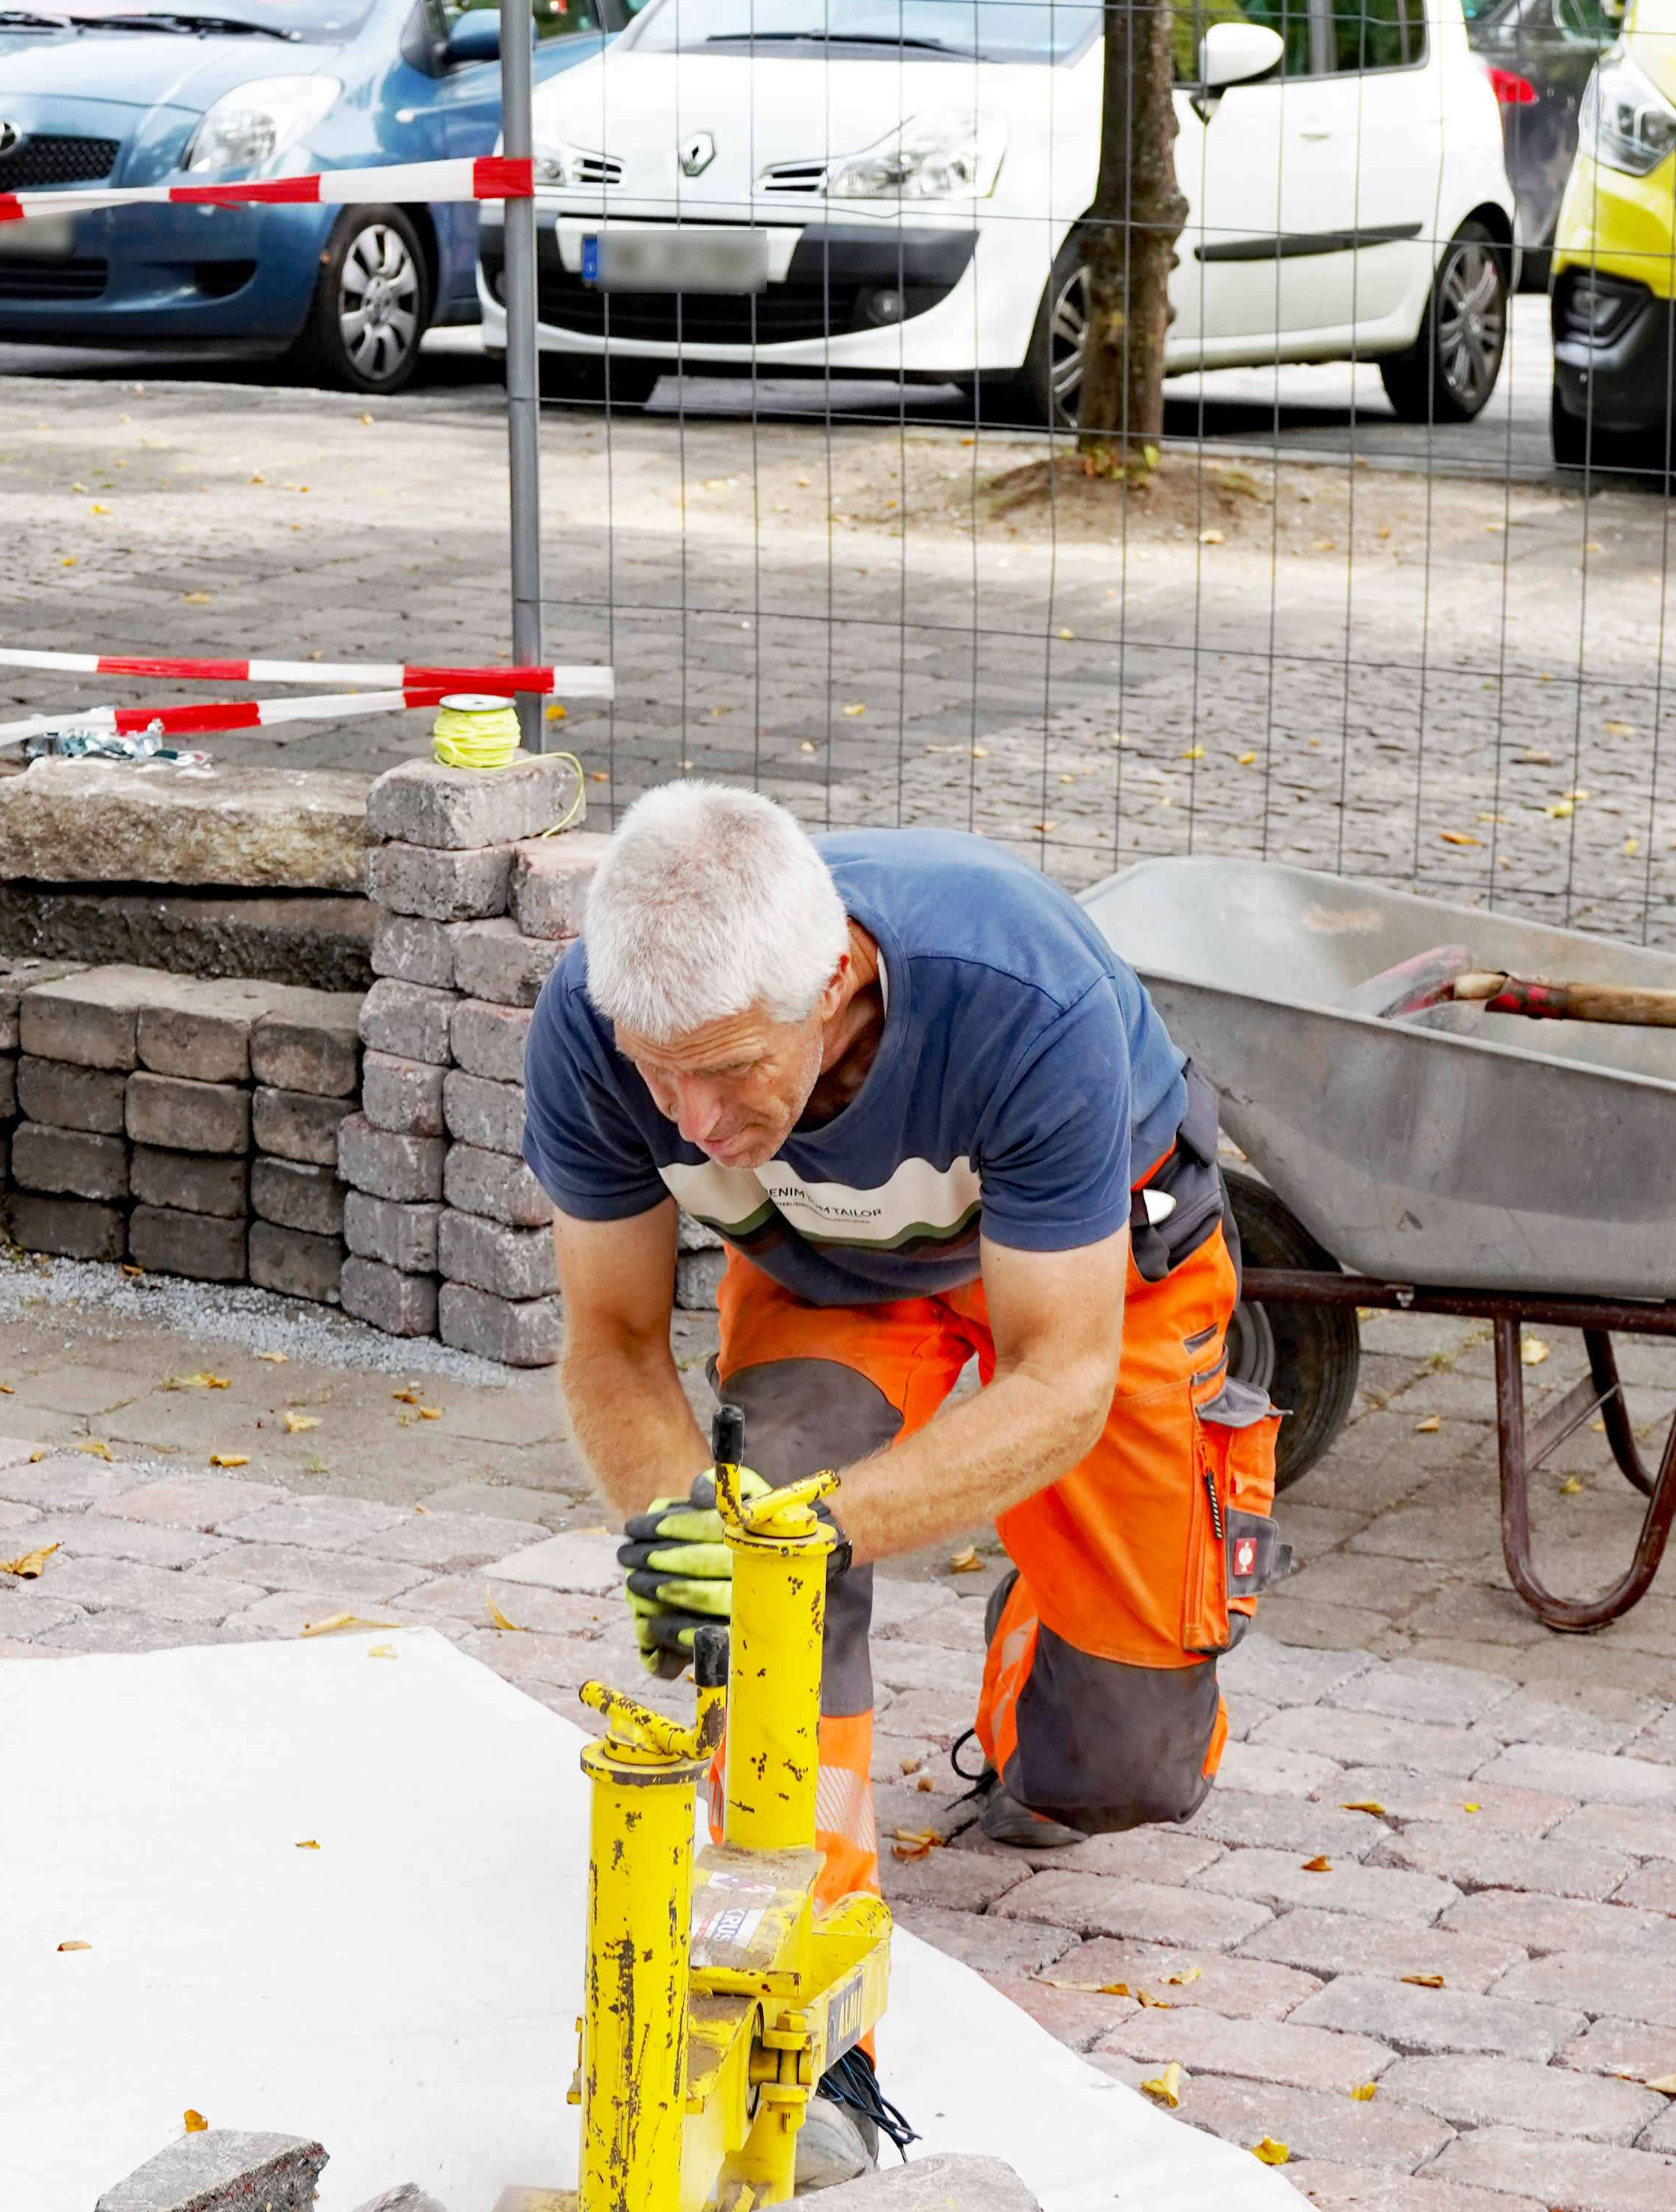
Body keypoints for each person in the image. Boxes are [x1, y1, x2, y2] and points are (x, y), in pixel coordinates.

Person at [520, 786, 1281, 1943]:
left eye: (728, 1069)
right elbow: (613, 1340)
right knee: (760, 1538)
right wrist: (698, 1540)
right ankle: (800, 1935)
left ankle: (1042, 1632)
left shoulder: (1026, 997)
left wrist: (808, 1539)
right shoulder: (588, 1020)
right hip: (834, 1277)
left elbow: (1060, 1380)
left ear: (833, 985)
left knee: (1124, 1769)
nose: (691, 1125)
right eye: (657, 1074)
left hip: (1086, 1276)